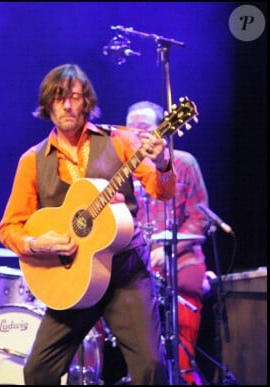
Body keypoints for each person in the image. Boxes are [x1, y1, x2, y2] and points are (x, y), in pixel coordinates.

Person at [0, 63, 174, 385]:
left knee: (151, 368)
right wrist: (37, 244)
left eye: (75, 97)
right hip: (73, 277)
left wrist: (162, 163)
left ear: (87, 103)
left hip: (124, 272)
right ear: (47, 104)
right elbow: (10, 227)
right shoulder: (32, 160)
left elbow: (161, 190)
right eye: (59, 97)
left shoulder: (119, 140)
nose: (67, 105)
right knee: (38, 371)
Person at [127, 100, 210, 385]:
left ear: (161, 131)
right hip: (137, 261)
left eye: (144, 128)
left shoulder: (184, 163)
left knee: (187, 286)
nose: (137, 134)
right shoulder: (125, 170)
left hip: (181, 259)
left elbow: (199, 219)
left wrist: (166, 250)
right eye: (132, 128)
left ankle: (185, 374)